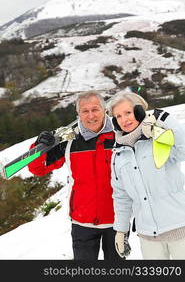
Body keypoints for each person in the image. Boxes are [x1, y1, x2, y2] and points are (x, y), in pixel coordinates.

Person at [28, 90, 130, 260]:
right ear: (78, 115)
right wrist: (38, 146)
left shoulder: (121, 136)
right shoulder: (69, 142)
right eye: (85, 111)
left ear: (104, 110)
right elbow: (38, 169)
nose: (91, 116)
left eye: (95, 109)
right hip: (82, 222)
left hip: (117, 220)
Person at [107, 90, 185, 260]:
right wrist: (121, 230)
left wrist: (163, 118)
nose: (124, 119)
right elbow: (121, 197)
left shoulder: (159, 135)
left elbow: (183, 150)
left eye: (128, 112)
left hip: (180, 229)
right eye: (118, 116)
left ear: (140, 111)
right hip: (148, 237)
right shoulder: (118, 155)